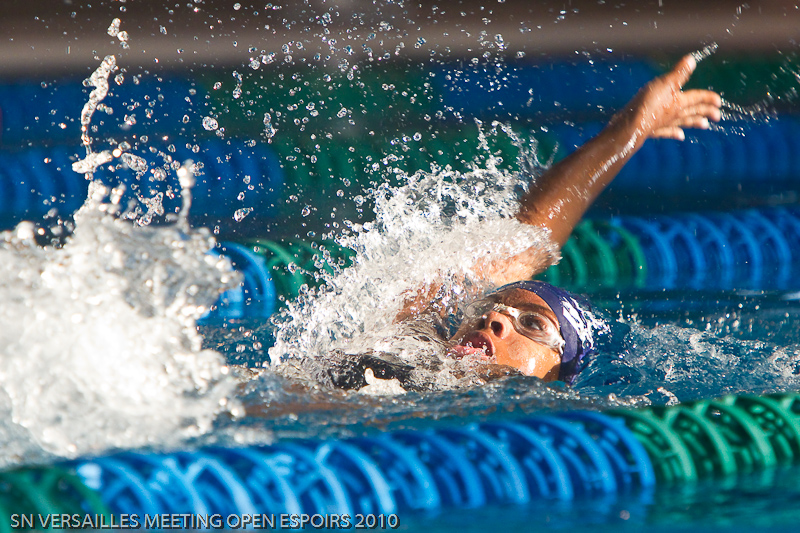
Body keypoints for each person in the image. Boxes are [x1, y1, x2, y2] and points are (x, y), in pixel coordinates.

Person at [396, 54, 722, 385]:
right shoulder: (403, 349)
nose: (491, 318)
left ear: (560, 370)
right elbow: (523, 244)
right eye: (484, 308)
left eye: (532, 324)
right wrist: (629, 130)